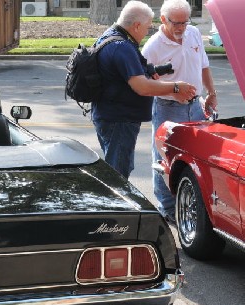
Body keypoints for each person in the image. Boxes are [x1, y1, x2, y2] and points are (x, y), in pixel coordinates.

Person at [91, 0, 196, 180]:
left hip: (110, 116)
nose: (147, 32)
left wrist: (150, 71)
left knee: (116, 168)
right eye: (147, 28)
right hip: (119, 121)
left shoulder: (110, 37)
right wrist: (176, 87)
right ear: (137, 25)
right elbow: (142, 87)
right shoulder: (122, 47)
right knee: (118, 175)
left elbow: (123, 76)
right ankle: (118, 208)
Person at [142, 0, 217, 224]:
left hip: (195, 106)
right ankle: (166, 208)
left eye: (185, 22)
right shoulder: (153, 46)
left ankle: (193, 200)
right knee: (164, 159)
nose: (181, 27)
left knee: (197, 157)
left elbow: (203, 65)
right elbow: (143, 82)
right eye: (176, 23)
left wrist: (211, 92)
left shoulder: (193, 34)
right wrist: (173, 92)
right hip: (168, 108)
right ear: (163, 20)